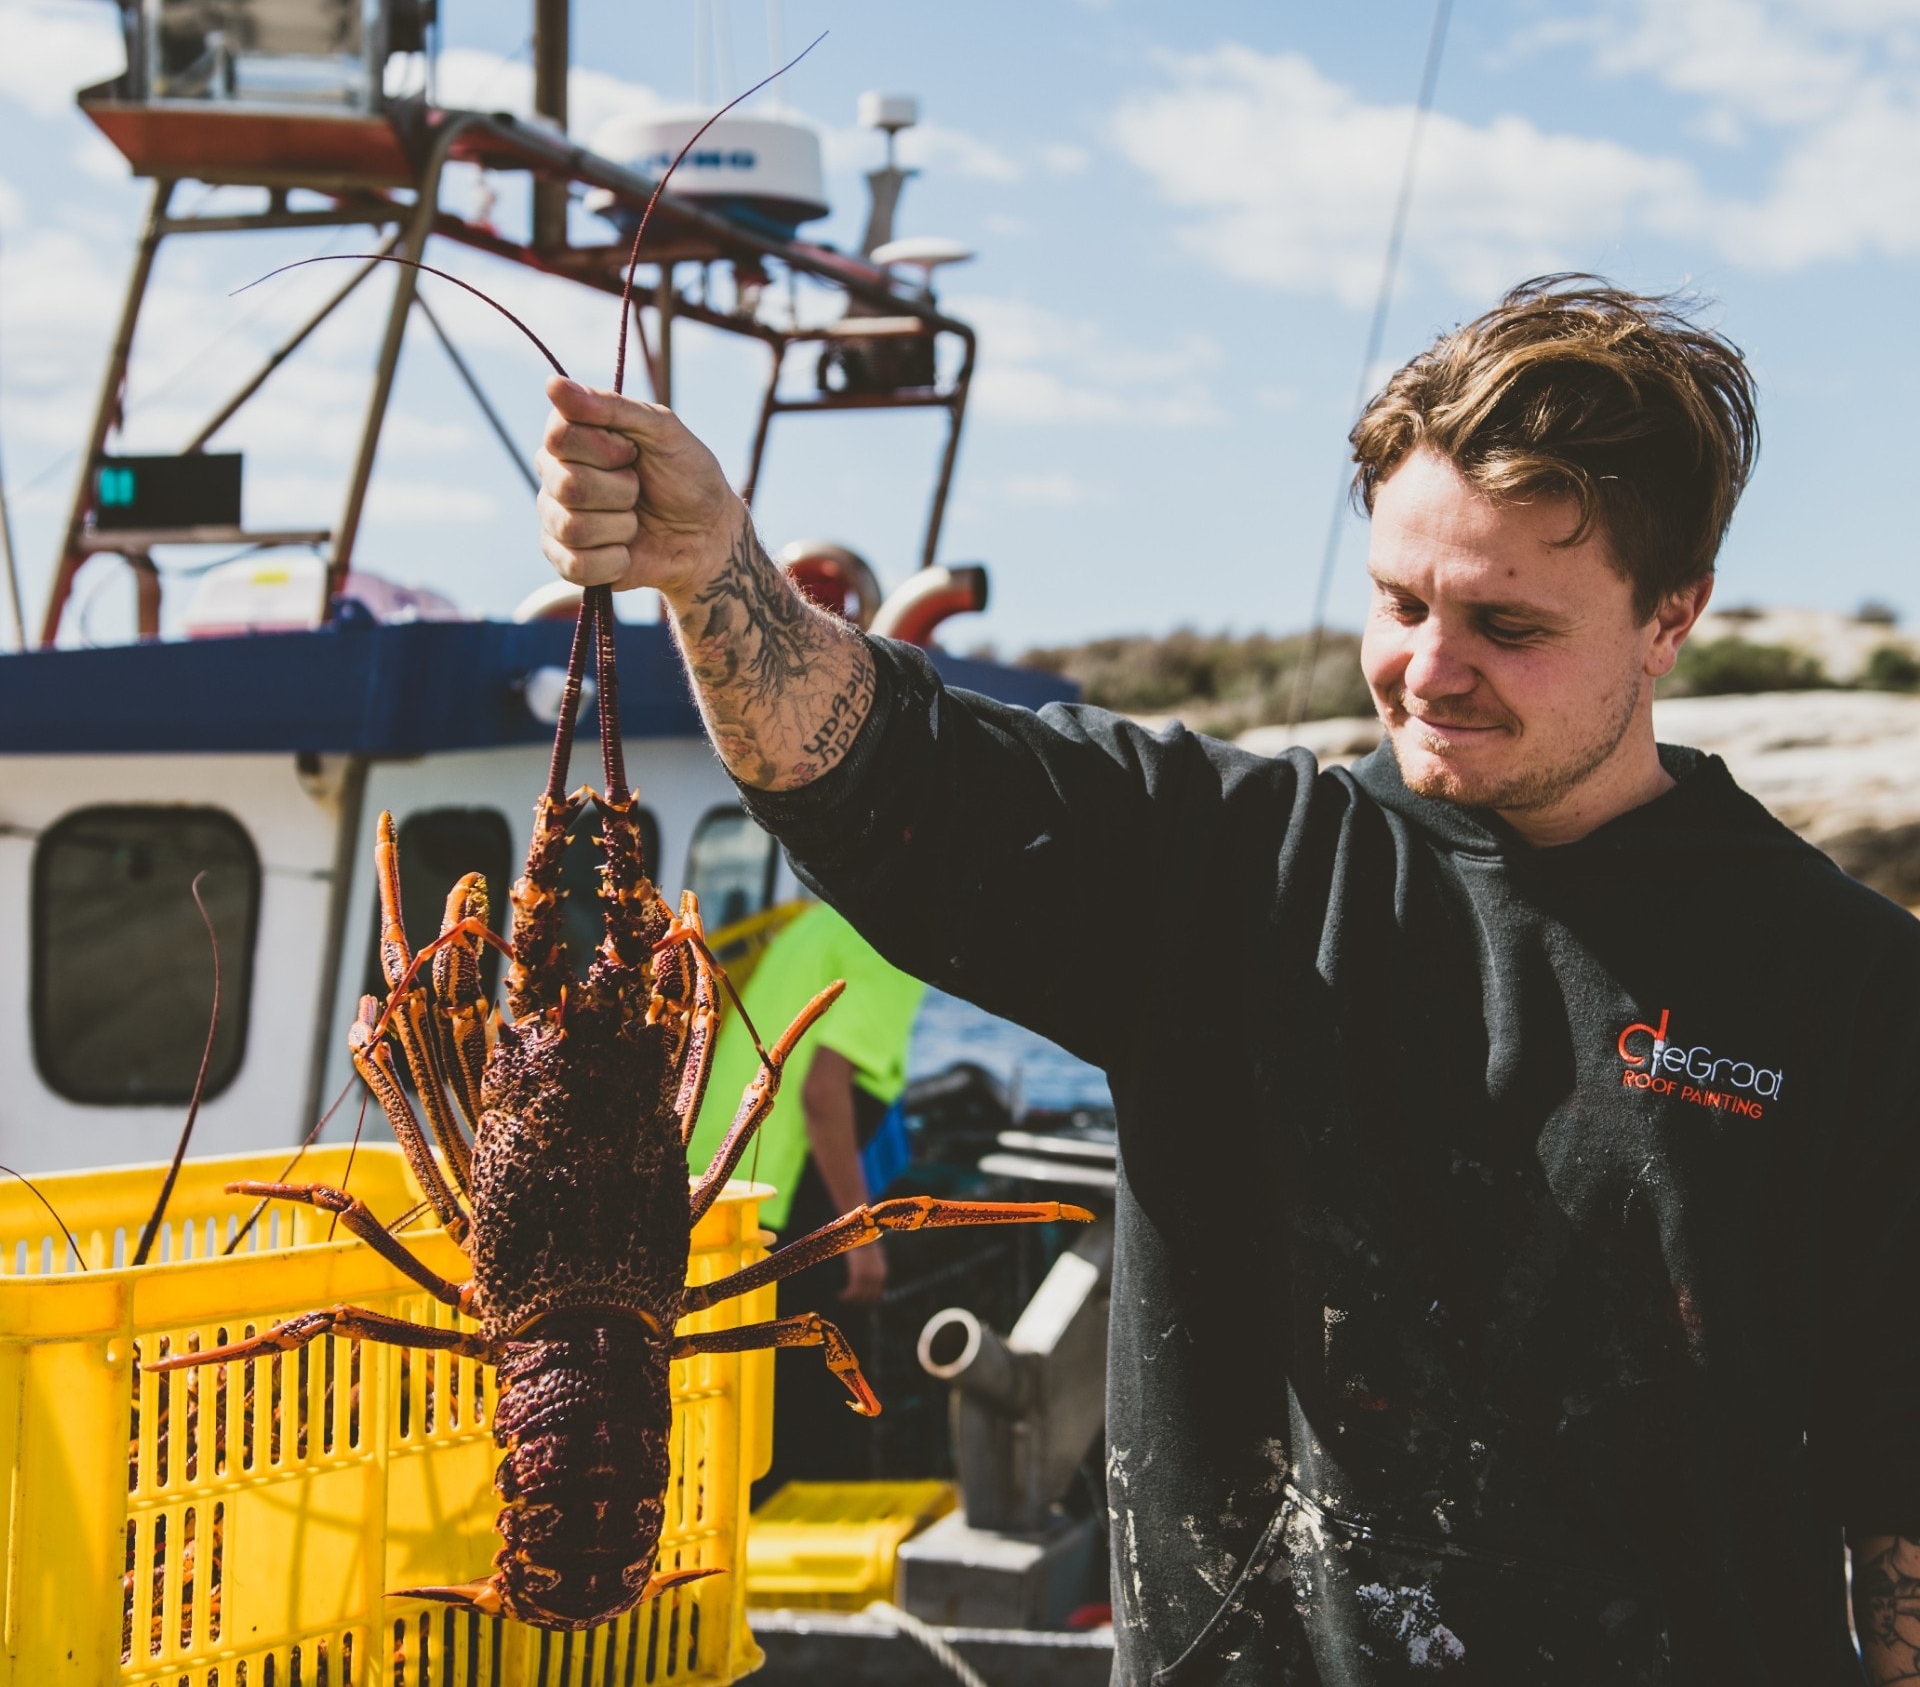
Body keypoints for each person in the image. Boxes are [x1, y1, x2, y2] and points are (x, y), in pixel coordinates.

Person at [536, 276, 1920, 1684]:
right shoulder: (1225, 874)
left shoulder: (1853, 992)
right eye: (1398, 601)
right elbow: (864, 764)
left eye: (1510, 629)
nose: (1430, 670)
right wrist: (712, 570)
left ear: (1669, 617)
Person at [687, 899, 924, 1492]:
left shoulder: (819, 922)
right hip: (773, 1203)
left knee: (723, 1411)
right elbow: (822, 1094)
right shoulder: (890, 939)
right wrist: (859, 1234)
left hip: (706, 1186)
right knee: (802, 1419)